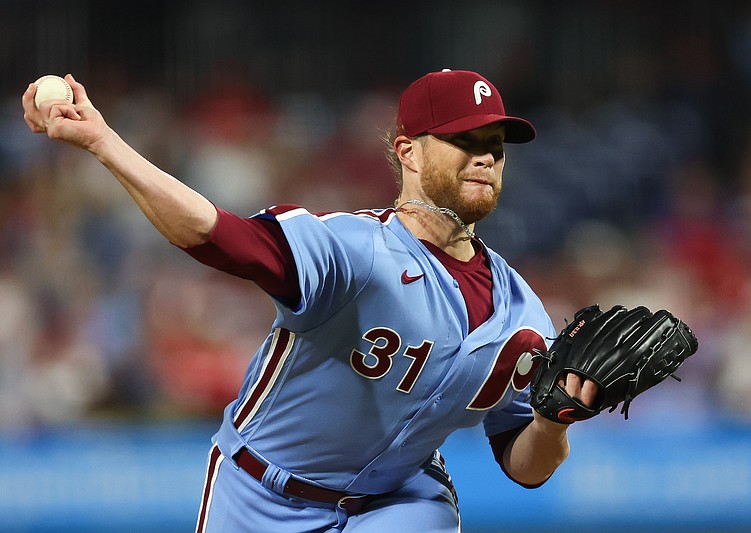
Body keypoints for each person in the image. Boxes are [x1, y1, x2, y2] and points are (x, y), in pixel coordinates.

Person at [23, 69, 598, 532]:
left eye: (495, 146)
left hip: (399, 504)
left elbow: (524, 466)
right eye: (463, 141)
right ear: (410, 153)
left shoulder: (523, 313)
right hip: (258, 492)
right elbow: (214, 234)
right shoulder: (355, 248)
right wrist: (102, 141)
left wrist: (553, 424)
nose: (486, 158)